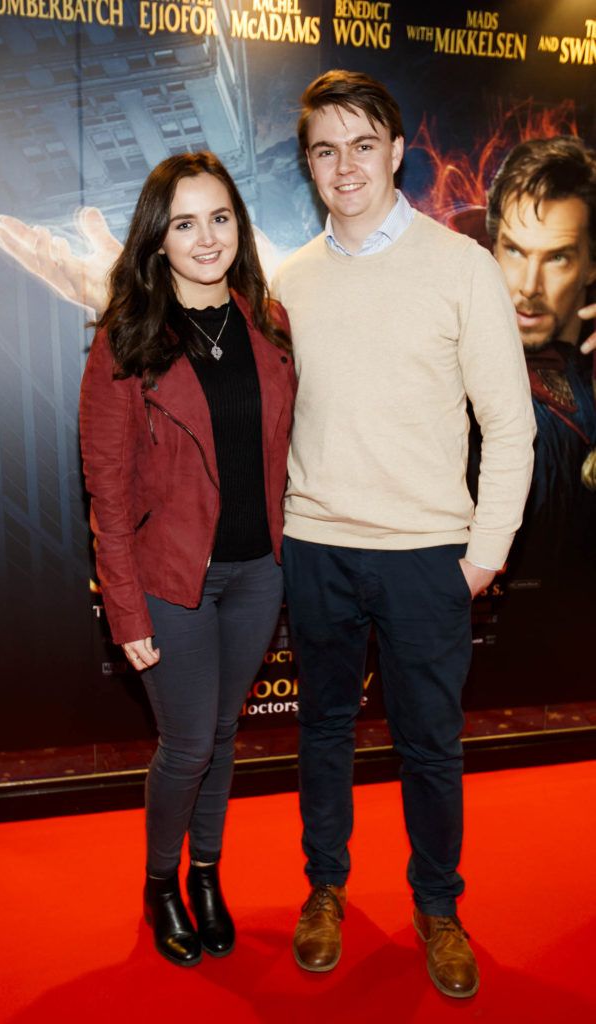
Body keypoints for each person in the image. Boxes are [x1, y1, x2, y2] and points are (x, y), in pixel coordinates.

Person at [272, 70, 536, 998]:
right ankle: (326, 892)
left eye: (361, 145)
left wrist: (484, 555)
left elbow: (510, 422)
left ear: (395, 151)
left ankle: (439, 908)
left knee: (431, 744)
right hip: (315, 549)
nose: (344, 166)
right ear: (309, 165)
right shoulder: (287, 281)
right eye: (324, 149)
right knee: (324, 735)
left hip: (430, 557)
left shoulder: (461, 266)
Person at [79, 152, 295, 967]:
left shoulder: (268, 322)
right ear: (157, 240)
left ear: (238, 226)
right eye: (183, 223)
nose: (205, 238)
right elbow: (105, 489)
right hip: (174, 580)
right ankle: (162, 881)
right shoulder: (126, 340)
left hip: (258, 573)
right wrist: (124, 610)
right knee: (189, 745)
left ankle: (208, 875)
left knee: (224, 735)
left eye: (220, 218)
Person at [470, 137, 596, 701]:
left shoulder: (583, 375)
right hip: (478, 673)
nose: (527, 287)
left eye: (558, 257)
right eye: (514, 250)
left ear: (591, 263)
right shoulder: (453, 375)